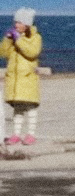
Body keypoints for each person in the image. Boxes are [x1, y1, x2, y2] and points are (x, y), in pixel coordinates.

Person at [1, 8, 43, 146]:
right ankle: (16, 134)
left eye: (19, 22)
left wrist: (19, 40)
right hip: (15, 79)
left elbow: (32, 52)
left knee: (30, 107)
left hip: (27, 78)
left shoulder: (35, 38)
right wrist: (7, 40)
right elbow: (4, 53)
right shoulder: (13, 39)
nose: (16, 25)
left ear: (27, 24)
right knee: (17, 108)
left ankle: (31, 134)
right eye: (15, 22)